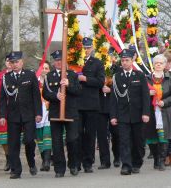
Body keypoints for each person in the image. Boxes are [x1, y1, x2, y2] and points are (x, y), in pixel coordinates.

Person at [0, 51, 42, 179]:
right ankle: (15, 170)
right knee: (13, 144)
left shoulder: (30, 75)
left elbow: (36, 96)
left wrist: (38, 113)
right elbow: (2, 98)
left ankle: (31, 162)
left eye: (17, 62)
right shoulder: (6, 78)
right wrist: (2, 115)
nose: (15, 64)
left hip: (28, 114)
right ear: (10, 64)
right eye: (12, 62)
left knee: (29, 140)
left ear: (22, 62)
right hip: (13, 115)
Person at [110, 49, 150, 175]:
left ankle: (137, 162)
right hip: (123, 115)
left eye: (127, 60)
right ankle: (126, 165)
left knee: (138, 142)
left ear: (132, 61)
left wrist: (146, 113)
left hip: (138, 114)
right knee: (124, 141)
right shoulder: (117, 77)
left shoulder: (140, 75)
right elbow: (113, 98)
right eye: (122, 61)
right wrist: (113, 115)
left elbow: (145, 96)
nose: (125, 63)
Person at [42, 50, 82, 178]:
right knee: (57, 142)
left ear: (65, 61)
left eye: (61, 60)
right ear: (54, 62)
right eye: (57, 60)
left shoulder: (72, 75)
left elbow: (78, 91)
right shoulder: (50, 76)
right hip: (55, 113)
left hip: (70, 113)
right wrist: (55, 96)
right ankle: (59, 168)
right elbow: (45, 93)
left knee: (72, 139)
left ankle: (74, 164)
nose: (59, 62)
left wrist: (69, 85)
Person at [145, 54, 171, 171]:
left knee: (163, 135)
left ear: (165, 65)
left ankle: (161, 160)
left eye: (161, 63)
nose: (158, 65)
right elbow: (138, 93)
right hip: (150, 111)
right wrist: (147, 95)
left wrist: (165, 102)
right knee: (152, 137)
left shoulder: (169, 79)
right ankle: (155, 158)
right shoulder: (147, 79)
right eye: (156, 63)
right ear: (153, 65)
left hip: (164, 111)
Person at [77, 37, 105, 173]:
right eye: (84, 47)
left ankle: (88, 162)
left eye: (88, 47)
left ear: (92, 48)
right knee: (76, 134)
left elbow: (100, 82)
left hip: (91, 104)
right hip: (76, 104)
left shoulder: (97, 63)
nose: (86, 50)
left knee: (89, 134)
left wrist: (86, 79)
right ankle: (76, 161)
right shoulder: (74, 62)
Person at [36, 61, 52, 171]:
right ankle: (43, 159)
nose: (44, 70)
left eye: (47, 68)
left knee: (47, 136)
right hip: (37, 112)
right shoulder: (34, 82)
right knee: (40, 138)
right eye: (43, 68)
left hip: (49, 112)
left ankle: (46, 161)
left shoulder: (52, 81)